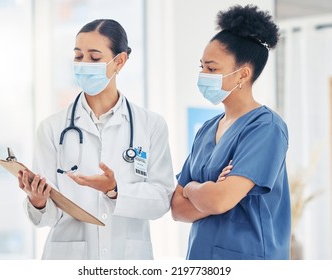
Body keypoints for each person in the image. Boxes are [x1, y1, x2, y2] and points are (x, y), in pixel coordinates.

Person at [18, 19, 174, 260]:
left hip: (128, 258)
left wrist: (114, 190)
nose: (83, 64)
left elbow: (161, 200)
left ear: (119, 62)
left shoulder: (151, 125)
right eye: (78, 56)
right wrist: (38, 201)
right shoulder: (51, 128)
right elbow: (49, 217)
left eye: (94, 57)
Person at [171, 5, 291, 260]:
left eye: (212, 69)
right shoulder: (206, 130)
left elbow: (218, 201)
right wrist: (210, 190)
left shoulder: (265, 128)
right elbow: (178, 209)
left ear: (243, 75)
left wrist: (192, 188)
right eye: (202, 66)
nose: (203, 75)